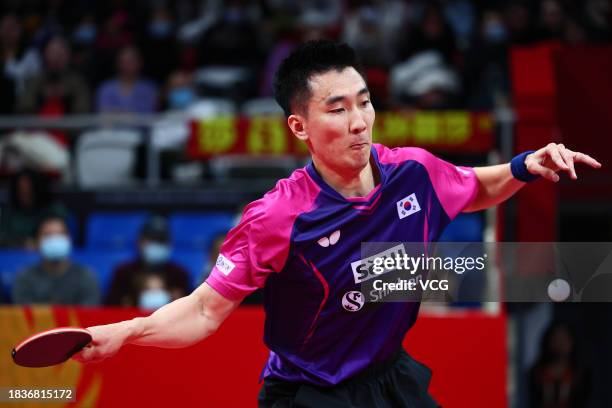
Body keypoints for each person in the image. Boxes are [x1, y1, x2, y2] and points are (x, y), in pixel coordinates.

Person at [73, 41, 601, 407]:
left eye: (365, 102)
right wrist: (129, 331)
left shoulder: (411, 171)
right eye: (338, 108)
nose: (359, 121)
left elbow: (476, 187)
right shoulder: (279, 215)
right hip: (310, 393)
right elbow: (204, 311)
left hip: (389, 378)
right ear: (299, 125)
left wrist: (523, 167)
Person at [104, 215, 191, 308]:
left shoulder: (180, 275)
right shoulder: (123, 272)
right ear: (139, 241)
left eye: (161, 241)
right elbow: (109, 308)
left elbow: (191, 310)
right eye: (152, 240)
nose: (156, 245)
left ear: (169, 244)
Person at [12, 215, 100, 305]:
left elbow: (90, 314)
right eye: (48, 235)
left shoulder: (86, 277)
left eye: (60, 234)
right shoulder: (25, 278)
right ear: (36, 242)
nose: (54, 240)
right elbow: (22, 314)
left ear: (69, 239)